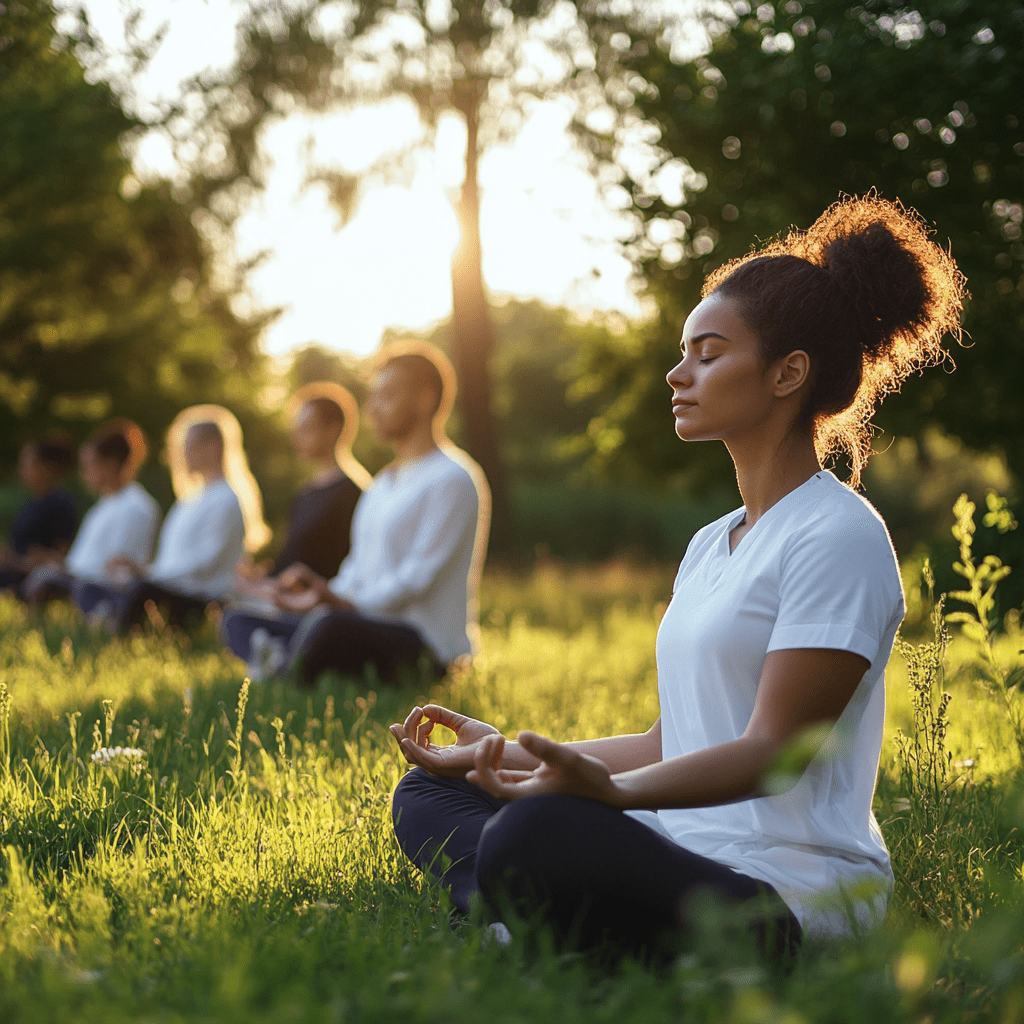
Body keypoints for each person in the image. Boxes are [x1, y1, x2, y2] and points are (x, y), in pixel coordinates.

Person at [388, 196, 966, 961]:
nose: (676, 372)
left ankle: (531, 917)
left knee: (538, 829)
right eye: (684, 352)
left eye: (707, 353)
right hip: (677, 844)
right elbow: (672, 739)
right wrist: (517, 755)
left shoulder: (838, 535)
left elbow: (772, 751)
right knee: (430, 794)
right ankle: (538, 919)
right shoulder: (710, 543)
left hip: (782, 890)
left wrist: (608, 795)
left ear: (788, 373)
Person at [221, 342, 490, 687]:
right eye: (373, 396)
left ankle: (282, 668)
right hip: (361, 620)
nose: (373, 409)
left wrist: (340, 603)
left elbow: (417, 580)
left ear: (425, 399)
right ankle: (285, 657)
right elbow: (356, 568)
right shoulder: (381, 484)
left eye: (387, 396)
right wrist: (315, 595)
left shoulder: (453, 477)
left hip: (425, 644)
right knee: (238, 618)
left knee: (329, 626)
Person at [78, 407, 265, 632]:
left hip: (202, 596)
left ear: (213, 447)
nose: (184, 455)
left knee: (142, 590)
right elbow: (171, 561)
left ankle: (113, 629)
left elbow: (206, 562)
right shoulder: (191, 500)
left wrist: (149, 574)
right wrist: (145, 573)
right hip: (172, 586)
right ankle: (103, 620)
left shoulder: (228, 500)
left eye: (190, 447)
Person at [235, 384, 369, 599]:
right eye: (296, 430)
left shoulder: (353, 494)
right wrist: (262, 574)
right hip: (287, 594)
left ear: (333, 429)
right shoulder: (305, 492)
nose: (297, 438)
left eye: (307, 429)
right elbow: (292, 556)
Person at [23, 420, 161, 605]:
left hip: (102, 588)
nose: (84, 474)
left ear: (110, 464)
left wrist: (66, 569)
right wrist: (53, 560)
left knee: (47, 580)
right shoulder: (101, 507)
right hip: (83, 580)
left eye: (89, 466)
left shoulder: (138, 507)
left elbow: (116, 567)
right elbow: (78, 562)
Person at [0, 434, 79, 594]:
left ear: (47, 467)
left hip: (30, 580)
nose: (21, 471)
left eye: (27, 465)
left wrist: (14, 561)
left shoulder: (61, 504)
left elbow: (59, 560)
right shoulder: (32, 503)